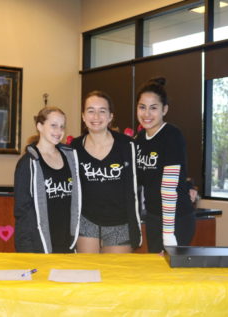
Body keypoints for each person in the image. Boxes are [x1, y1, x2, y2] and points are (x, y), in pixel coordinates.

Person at [71, 91, 141, 253]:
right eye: (90, 110)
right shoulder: (74, 147)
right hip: (86, 220)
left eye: (102, 111)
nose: (96, 116)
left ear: (110, 116)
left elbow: (149, 173)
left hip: (120, 222)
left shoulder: (127, 145)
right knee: (87, 275)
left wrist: (187, 185)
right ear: (83, 116)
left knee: (115, 276)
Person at [135, 77, 196, 253]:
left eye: (153, 108)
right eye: (142, 107)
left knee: (171, 276)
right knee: (157, 275)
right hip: (154, 217)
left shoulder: (171, 135)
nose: (147, 114)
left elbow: (169, 187)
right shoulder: (140, 139)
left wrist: (168, 235)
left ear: (165, 110)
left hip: (176, 219)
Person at [14, 106, 81, 253]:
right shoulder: (28, 163)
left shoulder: (70, 157)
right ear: (39, 126)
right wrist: (26, 249)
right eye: (53, 125)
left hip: (65, 242)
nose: (59, 131)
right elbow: (22, 211)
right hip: (38, 244)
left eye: (62, 126)